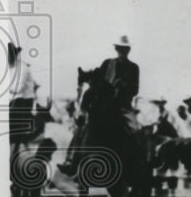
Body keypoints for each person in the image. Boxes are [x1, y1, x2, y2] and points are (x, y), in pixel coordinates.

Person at [58, 35, 141, 175]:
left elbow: (135, 90)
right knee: (81, 127)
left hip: (123, 107)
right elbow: (97, 81)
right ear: (116, 49)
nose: (123, 51)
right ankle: (71, 160)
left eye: (125, 49)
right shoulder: (107, 63)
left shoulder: (134, 67)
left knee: (136, 130)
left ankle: (139, 164)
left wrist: (123, 87)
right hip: (103, 105)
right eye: (120, 48)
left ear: (129, 50)